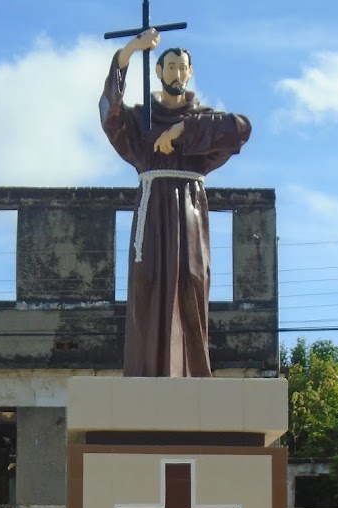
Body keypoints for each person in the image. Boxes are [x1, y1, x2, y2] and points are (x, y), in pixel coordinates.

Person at [100, 28, 251, 377]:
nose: (177, 73)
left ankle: (193, 376)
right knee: (147, 280)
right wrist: (129, 52)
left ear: (190, 73)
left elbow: (241, 128)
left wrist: (183, 130)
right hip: (152, 207)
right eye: (170, 67)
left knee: (191, 282)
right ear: (158, 72)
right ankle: (145, 375)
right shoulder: (140, 120)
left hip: (190, 211)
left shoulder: (204, 119)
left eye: (183, 68)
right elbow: (110, 113)